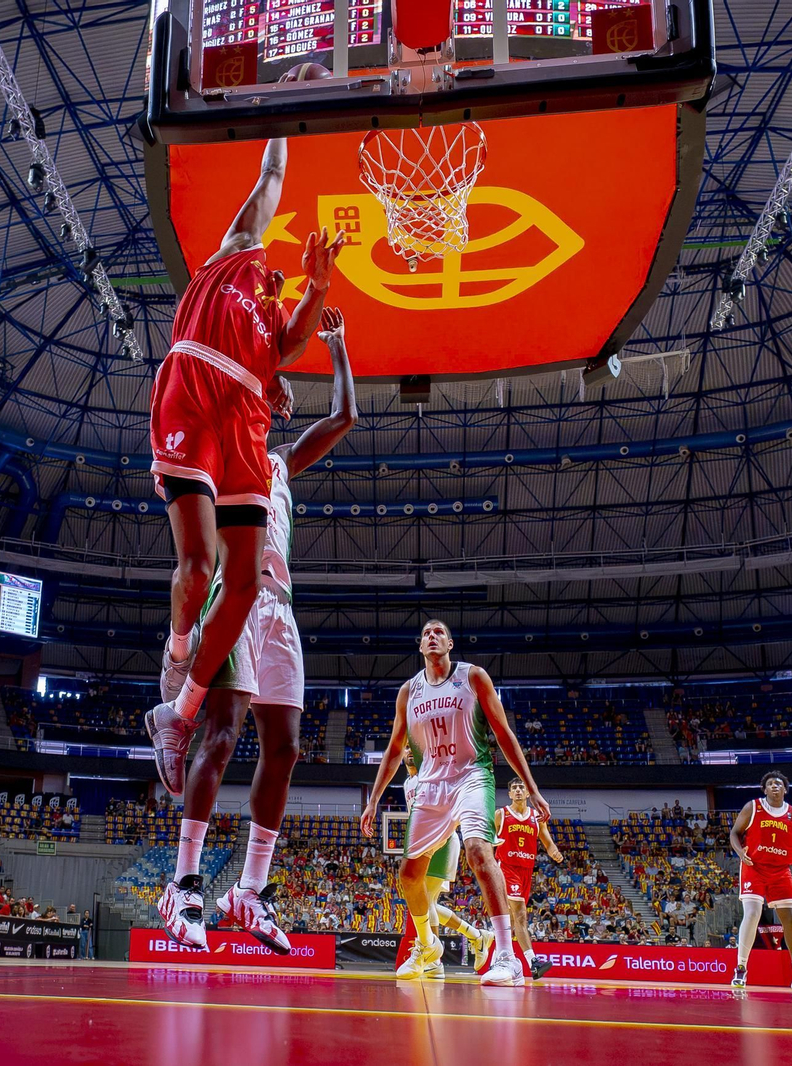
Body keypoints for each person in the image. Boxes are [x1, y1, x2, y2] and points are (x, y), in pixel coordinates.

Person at [144, 133, 347, 798]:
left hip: (245, 420)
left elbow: (294, 339)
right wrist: (285, 117)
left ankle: (177, 716)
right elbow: (272, 174)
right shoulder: (237, 251)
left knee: (243, 584)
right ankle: (177, 654)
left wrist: (319, 285)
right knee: (198, 566)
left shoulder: (272, 333)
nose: (280, 281)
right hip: (195, 386)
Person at [156, 306, 358, 953]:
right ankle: (184, 883)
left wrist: (337, 347)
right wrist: (259, 364)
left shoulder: (279, 463)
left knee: (287, 747)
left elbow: (344, 417)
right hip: (234, 596)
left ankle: (249, 889)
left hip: (282, 611)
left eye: (281, 393)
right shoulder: (222, 445)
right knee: (223, 733)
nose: (281, 397)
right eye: (272, 388)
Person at [359, 620, 550, 986]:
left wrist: (532, 787)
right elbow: (395, 749)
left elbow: (503, 734)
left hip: (471, 775)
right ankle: (428, 946)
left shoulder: (473, 677)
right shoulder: (409, 691)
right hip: (431, 785)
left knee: (478, 850)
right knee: (408, 875)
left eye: (439, 632)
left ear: (449, 644)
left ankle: (507, 957)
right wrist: (374, 800)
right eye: (426, 633)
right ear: (420, 646)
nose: (432, 636)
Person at [392, 749, 491, 978]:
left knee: (425, 901)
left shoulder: (432, 775)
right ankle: (477, 936)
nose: (409, 751)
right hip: (422, 841)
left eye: (413, 746)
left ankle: (434, 961)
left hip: (441, 840)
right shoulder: (408, 783)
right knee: (428, 904)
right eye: (406, 747)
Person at [728, 770, 792, 992]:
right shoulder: (753, 807)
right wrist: (740, 853)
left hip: (781, 871)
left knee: (790, 919)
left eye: (779, 783)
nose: (774, 786)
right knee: (752, 913)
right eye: (770, 783)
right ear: (764, 789)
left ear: (785, 790)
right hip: (754, 867)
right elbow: (734, 833)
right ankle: (741, 968)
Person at [494, 776, 564, 979]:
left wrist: (554, 851)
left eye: (521, 788)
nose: (518, 790)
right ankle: (532, 961)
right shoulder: (501, 814)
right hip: (507, 868)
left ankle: (498, 955)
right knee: (520, 914)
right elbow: (489, 839)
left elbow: (547, 841)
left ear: (527, 793)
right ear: (509, 793)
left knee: (514, 919)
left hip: (526, 871)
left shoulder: (536, 816)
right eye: (514, 788)